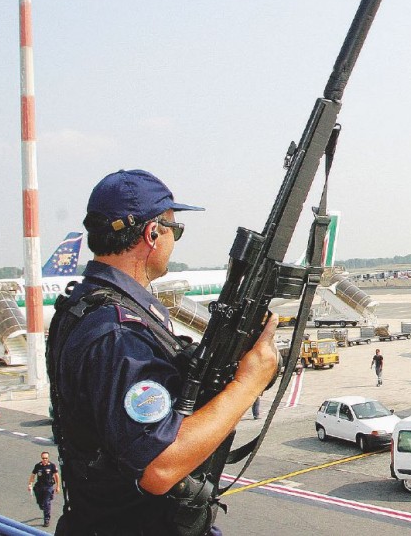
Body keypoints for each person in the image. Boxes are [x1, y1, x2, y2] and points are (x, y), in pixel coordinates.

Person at [46, 169, 279, 535]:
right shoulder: (118, 332)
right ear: (152, 233)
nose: (176, 240)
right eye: (176, 229)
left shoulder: (86, 305)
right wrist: (249, 383)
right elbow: (159, 466)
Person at [28, 451, 60, 527]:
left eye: (46, 458)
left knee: (46, 503)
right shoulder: (38, 466)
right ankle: (42, 505)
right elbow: (33, 475)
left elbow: (56, 476)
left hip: (48, 487)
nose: (44, 459)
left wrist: (58, 486)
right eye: (43, 458)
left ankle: (46, 520)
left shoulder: (52, 466)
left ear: (48, 458)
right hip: (39, 487)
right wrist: (30, 484)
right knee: (40, 502)